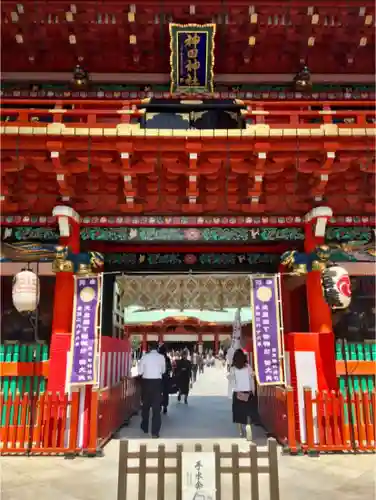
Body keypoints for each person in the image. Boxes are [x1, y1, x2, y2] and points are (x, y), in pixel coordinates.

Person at [138, 342, 166, 438]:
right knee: (156, 409)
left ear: (149, 348)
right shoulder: (161, 357)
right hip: (157, 383)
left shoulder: (145, 357)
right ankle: (155, 432)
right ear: (157, 348)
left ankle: (145, 427)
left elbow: (140, 371)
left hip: (146, 383)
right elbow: (163, 371)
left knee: (145, 407)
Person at [229, 348, 255, 440]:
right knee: (248, 412)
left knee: (239, 413)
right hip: (247, 392)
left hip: (237, 393)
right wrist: (253, 390)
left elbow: (232, 382)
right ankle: (248, 426)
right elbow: (252, 380)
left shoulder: (233, 368)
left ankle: (240, 430)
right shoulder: (248, 367)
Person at [158, 344, 172, 414]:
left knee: (158, 392)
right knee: (165, 393)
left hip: (159, 378)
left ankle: (159, 405)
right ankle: (165, 406)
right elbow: (170, 369)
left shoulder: (158, 359)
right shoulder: (167, 359)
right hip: (166, 377)